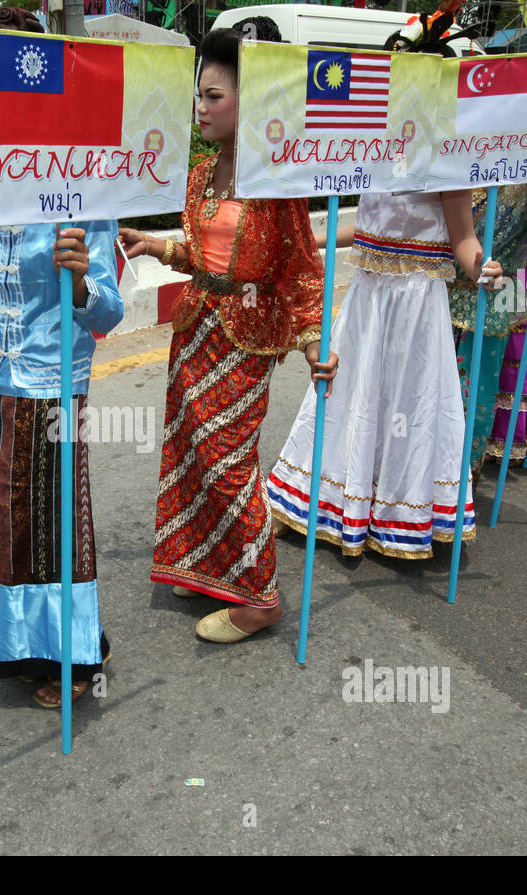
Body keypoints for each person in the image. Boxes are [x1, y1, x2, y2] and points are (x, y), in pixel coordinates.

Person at [0, 0, 124, 710]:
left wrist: (78, 276)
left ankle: (70, 656)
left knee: (56, 521)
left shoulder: (83, 187)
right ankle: (20, 644)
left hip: (54, 387)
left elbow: (109, 312)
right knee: (3, 518)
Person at [119, 26, 338, 644]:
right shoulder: (200, 175)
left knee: (228, 459)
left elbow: (298, 270)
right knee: (190, 452)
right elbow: (206, 254)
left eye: (214, 95)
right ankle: (204, 562)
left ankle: (259, 597)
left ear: (252, 98)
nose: (202, 108)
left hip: (245, 341)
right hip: (194, 335)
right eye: (200, 95)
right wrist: (158, 245)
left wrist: (316, 342)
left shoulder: (276, 183)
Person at [265, 18, 502, 561]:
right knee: (348, 393)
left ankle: (396, 514)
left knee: (406, 404)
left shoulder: (449, 156)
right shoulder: (371, 141)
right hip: (369, 294)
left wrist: (482, 267)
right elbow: (369, 224)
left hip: (417, 301)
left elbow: (464, 241)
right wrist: (319, 238)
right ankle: (319, 503)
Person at [451, 181, 527, 470]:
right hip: (430, 295)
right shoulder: (450, 155)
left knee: (472, 407)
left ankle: (458, 494)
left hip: (487, 302)